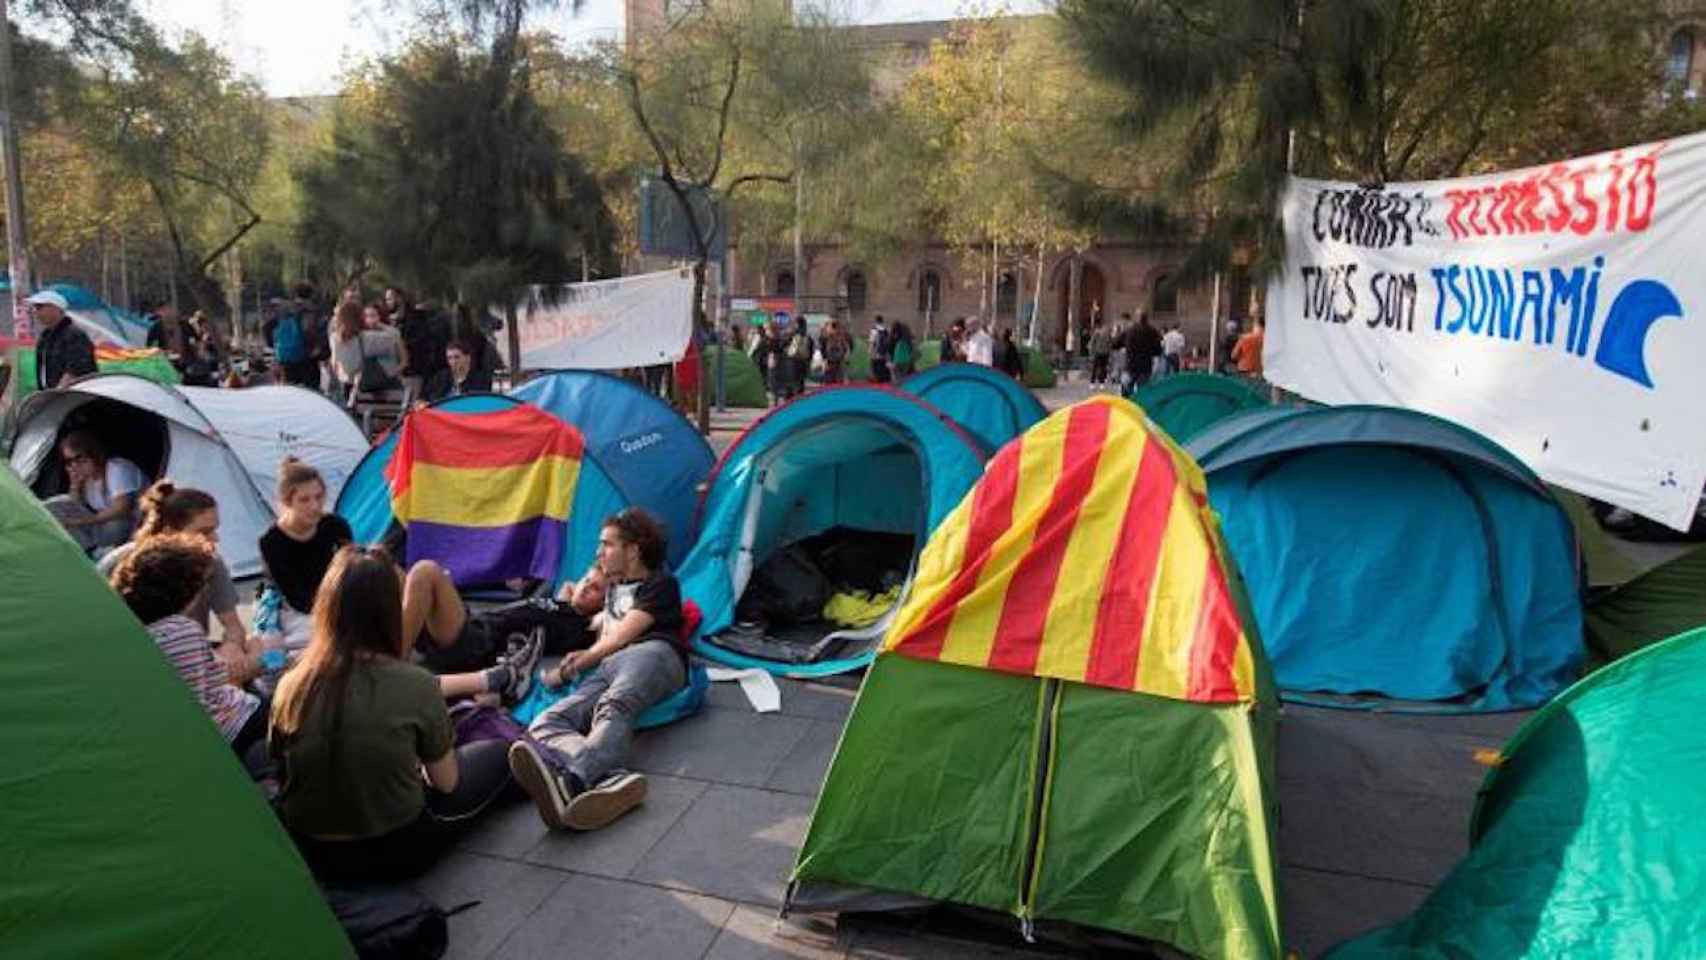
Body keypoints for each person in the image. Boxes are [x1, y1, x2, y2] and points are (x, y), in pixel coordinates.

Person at [271, 546, 514, 882]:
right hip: (395, 850)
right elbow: (446, 783)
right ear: (390, 610)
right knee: (500, 753)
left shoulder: (289, 685)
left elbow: (282, 770)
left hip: (312, 851)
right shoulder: (415, 683)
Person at [508, 509, 687, 832]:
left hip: (654, 655)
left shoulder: (660, 584)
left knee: (614, 706)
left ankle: (572, 782)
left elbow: (623, 635)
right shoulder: (615, 591)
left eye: (607, 544)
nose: (598, 552)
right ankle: (609, 779)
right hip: (611, 665)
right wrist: (582, 647)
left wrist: (573, 667)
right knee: (546, 722)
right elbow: (602, 633)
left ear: (633, 550)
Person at [112, 535, 268, 761]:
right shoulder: (179, 631)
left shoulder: (139, 633)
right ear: (184, 591)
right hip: (235, 726)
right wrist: (255, 659)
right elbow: (203, 709)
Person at [98, 482, 252, 660]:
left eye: (214, 530)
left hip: (191, 654)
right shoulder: (118, 563)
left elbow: (233, 626)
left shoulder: (210, 561)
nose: (215, 539)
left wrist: (232, 647)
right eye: (204, 531)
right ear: (169, 532)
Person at [258, 458, 354, 654]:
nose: (314, 506)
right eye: (304, 500)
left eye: (319, 497)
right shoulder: (272, 541)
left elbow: (353, 569)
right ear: (287, 501)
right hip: (294, 610)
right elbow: (297, 598)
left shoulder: (335, 526)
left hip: (338, 600)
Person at [43, 430, 146, 556]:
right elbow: (75, 504)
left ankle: (97, 550)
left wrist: (81, 522)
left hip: (132, 524)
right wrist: (75, 484)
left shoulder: (117, 468)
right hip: (100, 524)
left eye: (79, 458)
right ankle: (86, 549)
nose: (74, 464)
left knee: (117, 523)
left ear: (93, 453)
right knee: (54, 505)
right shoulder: (86, 478)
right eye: (69, 461)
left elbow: (122, 509)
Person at [28, 290, 96, 390]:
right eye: (34, 308)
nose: (35, 312)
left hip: (74, 397)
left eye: (39, 307)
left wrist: (58, 393)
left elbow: (77, 368)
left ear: (56, 308)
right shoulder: (45, 337)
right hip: (53, 396)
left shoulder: (74, 335)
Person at [273, 283, 324, 391]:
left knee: (291, 392)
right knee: (310, 393)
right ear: (311, 294)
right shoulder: (312, 311)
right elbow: (310, 331)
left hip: (286, 357)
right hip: (306, 358)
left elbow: (271, 329)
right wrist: (317, 349)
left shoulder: (284, 309)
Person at [420, 339, 492, 402]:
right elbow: (424, 398)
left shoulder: (480, 379)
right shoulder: (440, 377)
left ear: (467, 358)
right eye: (449, 358)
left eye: (457, 357)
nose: (453, 362)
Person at [1123, 312, 1164, 396]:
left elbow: (1116, 343)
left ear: (1137, 318)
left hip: (1131, 363)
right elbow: (1158, 349)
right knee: (1143, 388)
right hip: (1145, 364)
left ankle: (1126, 404)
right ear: (1147, 319)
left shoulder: (1130, 330)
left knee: (1127, 386)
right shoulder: (1152, 331)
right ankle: (1140, 405)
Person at [786, 317, 814, 397]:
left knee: (792, 382)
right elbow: (811, 351)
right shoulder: (808, 337)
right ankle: (799, 400)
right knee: (800, 383)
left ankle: (791, 401)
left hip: (792, 361)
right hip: (803, 362)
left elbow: (784, 346)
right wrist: (809, 362)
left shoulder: (792, 335)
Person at [820, 320, 850, 385]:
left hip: (832, 363)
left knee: (830, 382)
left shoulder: (827, 337)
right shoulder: (841, 337)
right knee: (836, 382)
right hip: (837, 363)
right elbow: (846, 349)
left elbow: (823, 350)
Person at [1087, 319, 1112, 387]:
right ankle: (1101, 382)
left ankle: (1093, 382)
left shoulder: (1097, 332)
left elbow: (1092, 342)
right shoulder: (1106, 332)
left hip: (1098, 352)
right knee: (1103, 367)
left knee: (1095, 367)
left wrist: (1091, 352)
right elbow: (1110, 342)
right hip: (1105, 352)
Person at [868, 314, 891, 383]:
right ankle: (883, 380)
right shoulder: (886, 329)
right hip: (884, 353)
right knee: (882, 367)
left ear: (876, 321)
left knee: (875, 367)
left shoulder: (874, 330)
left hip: (876, 353)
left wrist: (870, 351)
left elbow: (872, 342)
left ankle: (876, 380)